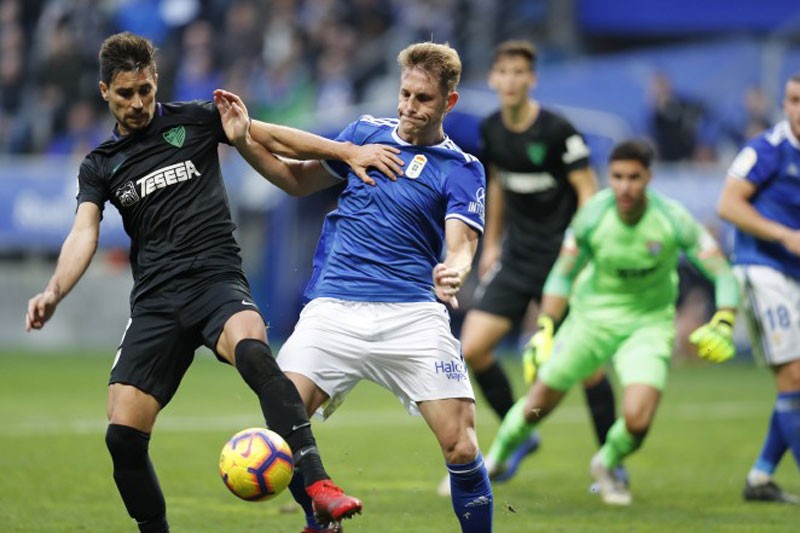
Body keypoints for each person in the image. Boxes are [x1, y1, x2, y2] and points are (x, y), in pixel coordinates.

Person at [24, 32, 404, 533]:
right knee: (122, 437)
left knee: (253, 352)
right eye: (125, 94)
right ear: (104, 92)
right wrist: (53, 291)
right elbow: (83, 233)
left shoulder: (198, 119)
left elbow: (273, 137)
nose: (138, 103)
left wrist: (346, 151)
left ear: (155, 81)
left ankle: (319, 489)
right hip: (156, 303)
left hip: (215, 279)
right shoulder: (100, 166)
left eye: (145, 89)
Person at [214, 41, 494, 532]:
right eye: (405, 94)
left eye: (423, 99)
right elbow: (294, 180)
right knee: (284, 423)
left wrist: (456, 267)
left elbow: (462, 241)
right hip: (334, 310)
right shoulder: (364, 134)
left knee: (462, 445)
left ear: (448, 103)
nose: (408, 107)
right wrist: (243, 139)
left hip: (411, 314)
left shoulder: (462, 169)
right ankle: (319, 519)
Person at [484, 139, 740, 505]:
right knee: (538, 403)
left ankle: (606, 463)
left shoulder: (672, 218)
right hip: (591, 321)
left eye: (633, 177)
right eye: (617, 177)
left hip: (648, 325)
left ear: (648, 178)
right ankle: (493, 460)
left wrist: (725, 321)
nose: (624, 186)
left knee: (638, 421)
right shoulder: (592, 216)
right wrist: (545, 328)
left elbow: (723, 274)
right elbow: (562, 275)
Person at [455, 39, 619, 489]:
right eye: (503, 72)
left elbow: (588, 190)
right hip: (518, 257)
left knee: (587, 368)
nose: (510, 80)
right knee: (473, 348)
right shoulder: (491, 129)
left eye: (519, 72)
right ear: (492, 79)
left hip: (562, 262)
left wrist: (581, 248)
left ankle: (610, 463)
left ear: (532, 80)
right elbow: (500, 184)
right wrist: (491, 243)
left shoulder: (558, 130)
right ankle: (518, 434)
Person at [717, 74, 800, 505]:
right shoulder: (767, 149)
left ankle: (761, 476)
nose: (796, 110)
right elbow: (728, 204)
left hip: (796, 274)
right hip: (763, 267)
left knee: (796, 384)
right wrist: (783, 235)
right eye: (792, 100)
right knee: (793, 376)